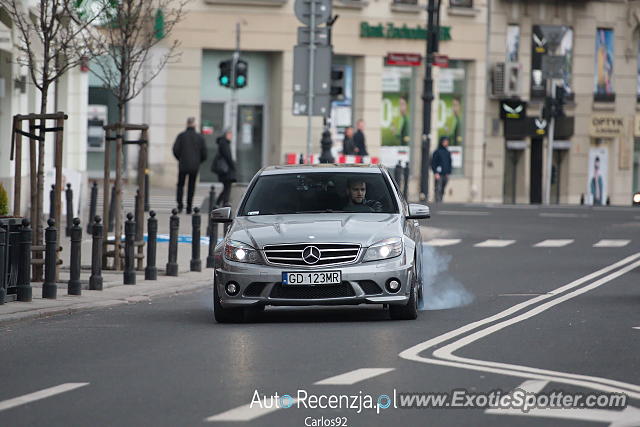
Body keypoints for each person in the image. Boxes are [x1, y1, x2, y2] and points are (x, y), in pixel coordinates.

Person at [172, 117, 207, 214]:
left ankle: (179, 206)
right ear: (195, 124)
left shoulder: (181, 136)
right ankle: (189, 206)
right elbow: (204, 153)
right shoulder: (200, 137)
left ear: (187, 124)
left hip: (183, 165)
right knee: (191, 186)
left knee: (180, 185)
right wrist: (198, 161)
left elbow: (175, 150)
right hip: (194, 166)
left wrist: (180, 158)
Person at [213, 129, 236, 207]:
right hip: (225, 169)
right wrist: (233, 166)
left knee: (226, 187)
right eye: (230, 134)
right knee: (227, 186)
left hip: (224, 169)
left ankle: (219, 202)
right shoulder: (224, 143)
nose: (231, 136)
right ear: (226, 135)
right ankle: (223, 203)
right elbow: (227, 156)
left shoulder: (223, 142)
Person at [431, 136, 452, 203]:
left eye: (447, 142)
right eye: (444, 142)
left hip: (445, 173)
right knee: (438, 187)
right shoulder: (437, 152)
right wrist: (435, 172)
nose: (446, 143)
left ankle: (441, 198)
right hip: (438, 174)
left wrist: (448, 172)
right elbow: (433, 163)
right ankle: (438, 200)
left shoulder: (447, 152)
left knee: (443, 187)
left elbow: (449, 163)